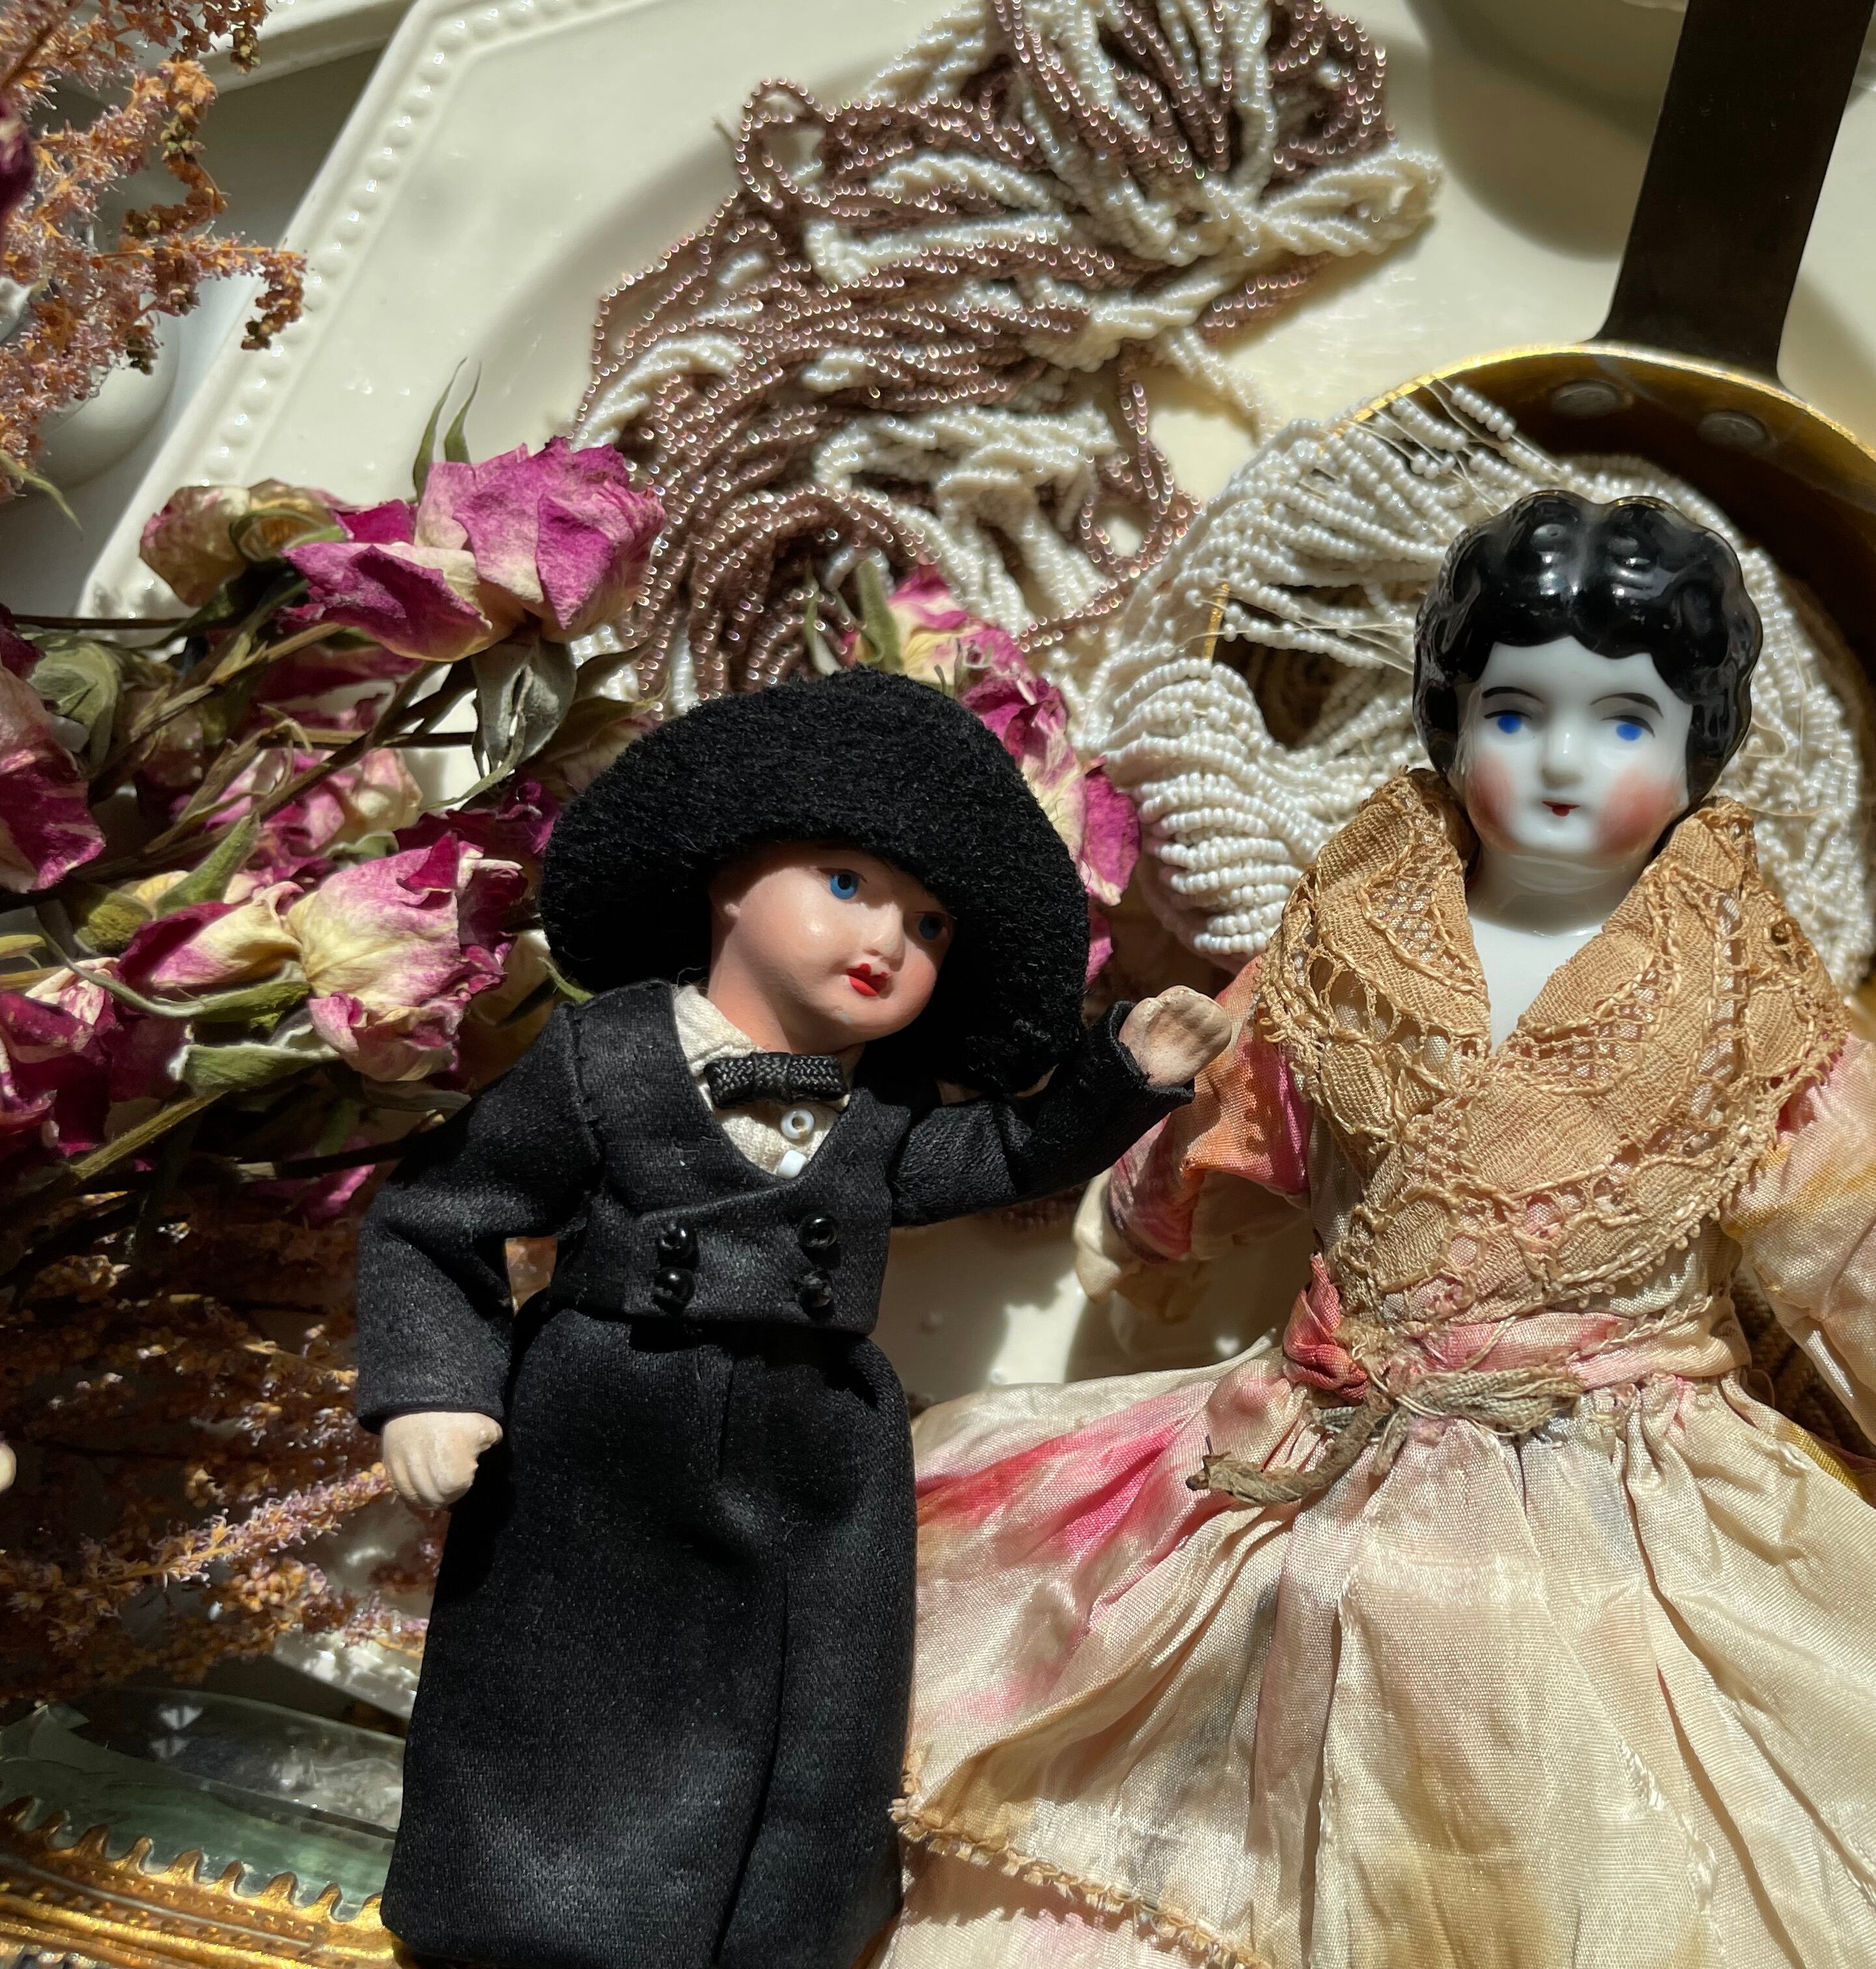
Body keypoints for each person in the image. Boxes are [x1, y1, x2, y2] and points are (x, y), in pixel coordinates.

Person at [878, 492, 1876, 1968]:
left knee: (1665, 1849)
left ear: (1694, 750)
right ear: (1448, 719)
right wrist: (1152, 1218)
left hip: (1638, 1504)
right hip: (1321, 1449)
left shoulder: (1747, 1015)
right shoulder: (1354, 935)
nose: (1558, 761)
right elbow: (1245, 1099)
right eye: (1513, 711)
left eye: (1623, 723)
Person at [353, 665, 1232, 1969]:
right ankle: (507, 1916)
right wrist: (435, 1386)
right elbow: (441, 1212)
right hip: (597, 1429)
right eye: (846, 884)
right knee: (555, 1687)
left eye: (930, 925)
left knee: (815, 1709)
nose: (888, 939)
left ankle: (779, 1935)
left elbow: (1003, 1154)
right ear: (728, 877)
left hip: (817, 1449)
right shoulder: (603, 1058)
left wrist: (1126, 1079)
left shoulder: (885, 1116)